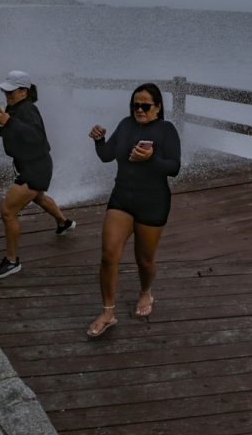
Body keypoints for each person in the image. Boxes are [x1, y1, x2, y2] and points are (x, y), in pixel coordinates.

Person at [86, 82, 181, 337]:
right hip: (122, 199)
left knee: (144, 260)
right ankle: (107, 312)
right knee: (108, 256)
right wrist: (99, 140)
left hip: (153, 202)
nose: (139, 109)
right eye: (135, 105)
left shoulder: (166, 130)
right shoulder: (125, 125)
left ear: (158, 107)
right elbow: (107, 155)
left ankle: (145, 291)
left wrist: (152, 160)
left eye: (145, 105)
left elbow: (173, 167)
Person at [0, 70, 76, 279]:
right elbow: (8, 132)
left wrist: (9, 121)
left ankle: (12, 262)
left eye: (11, 91)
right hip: (30, 165)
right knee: (38, 197)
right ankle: (64, 222)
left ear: (24, 91)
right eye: (5, 90)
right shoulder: (15, 109)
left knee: (7, 211)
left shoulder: (28, 110)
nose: (7, 94)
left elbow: (36, 137)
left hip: (36, 167)